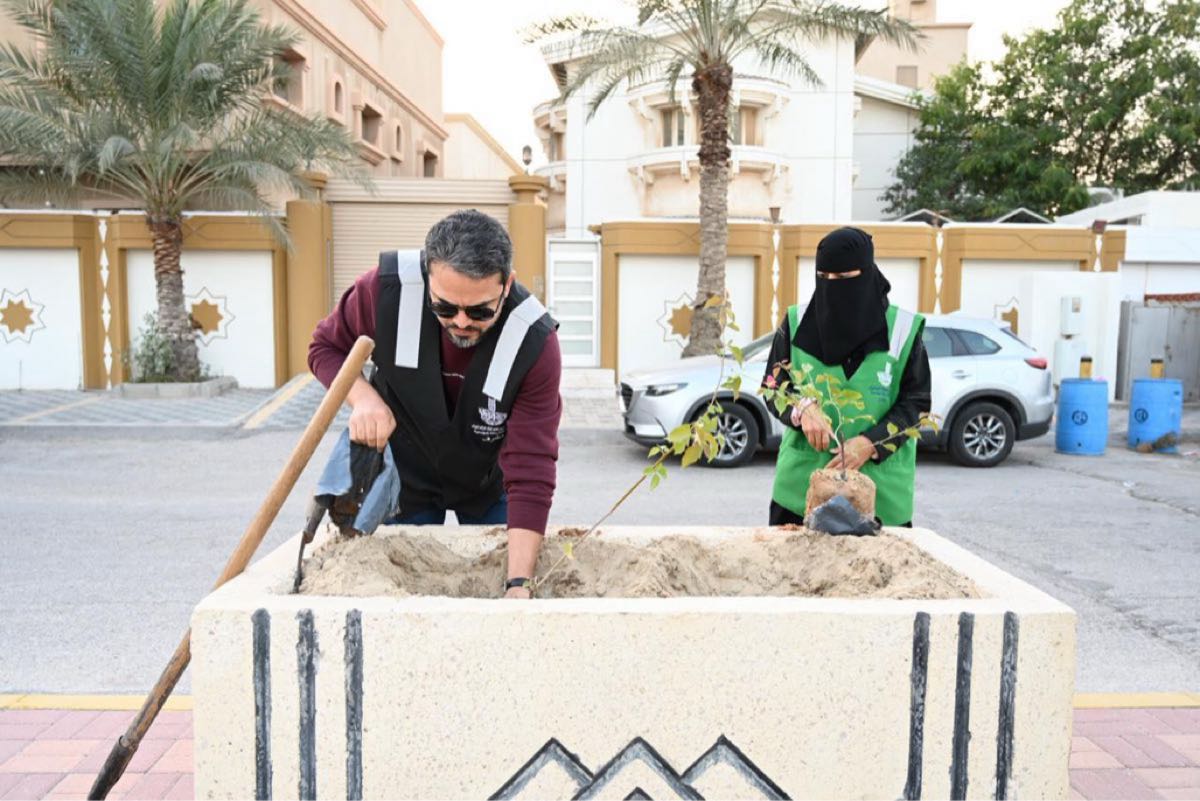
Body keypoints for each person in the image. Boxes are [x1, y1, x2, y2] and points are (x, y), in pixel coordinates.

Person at [308, 210, 562, 598]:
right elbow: (324, 348)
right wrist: (364, 399)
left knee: (512, 572)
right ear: (428, 276)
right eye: (445, 307)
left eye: (480, 311)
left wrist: (518, 584)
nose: (460, 322)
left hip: (486, 481)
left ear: (507, 285)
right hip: (404, 477)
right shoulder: (384, 291)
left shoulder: (534, 343)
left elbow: (532, 465)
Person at [763, 226, 931, 527]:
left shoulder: (903, 329)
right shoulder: (796, 322)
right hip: (800, 491)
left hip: (881, 497)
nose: (832, 285)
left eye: (843, 277)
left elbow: (917, 403)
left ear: (867, 273)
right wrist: (802, 408)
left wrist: (871, 443)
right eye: (824, 276)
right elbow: (773, 388)